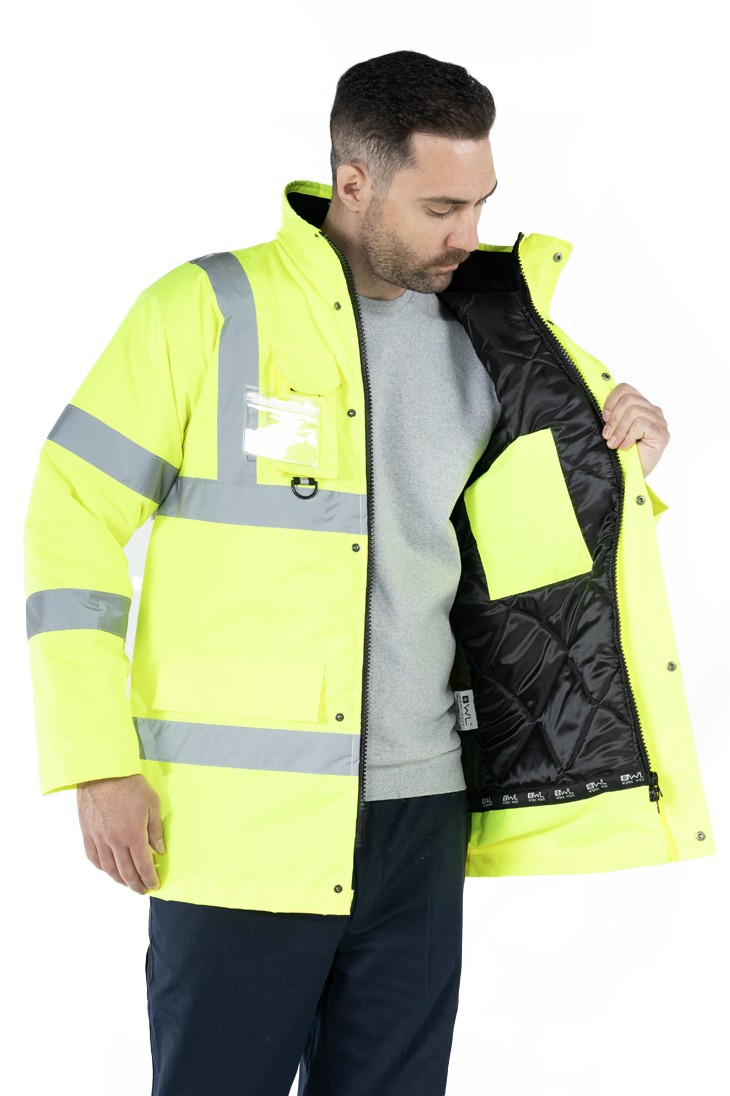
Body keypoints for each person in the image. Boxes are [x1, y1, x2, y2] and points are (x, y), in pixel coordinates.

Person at [24, 50, 714, 1096]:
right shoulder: (205, 310)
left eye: (480, 203)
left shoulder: (498, 335)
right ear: (354, 181)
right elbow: (69, 521)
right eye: (441, 207)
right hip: (238, 823)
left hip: (422, 814)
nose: (467, 235)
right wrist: (95, 762)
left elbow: (505, 556)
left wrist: (617, 466)